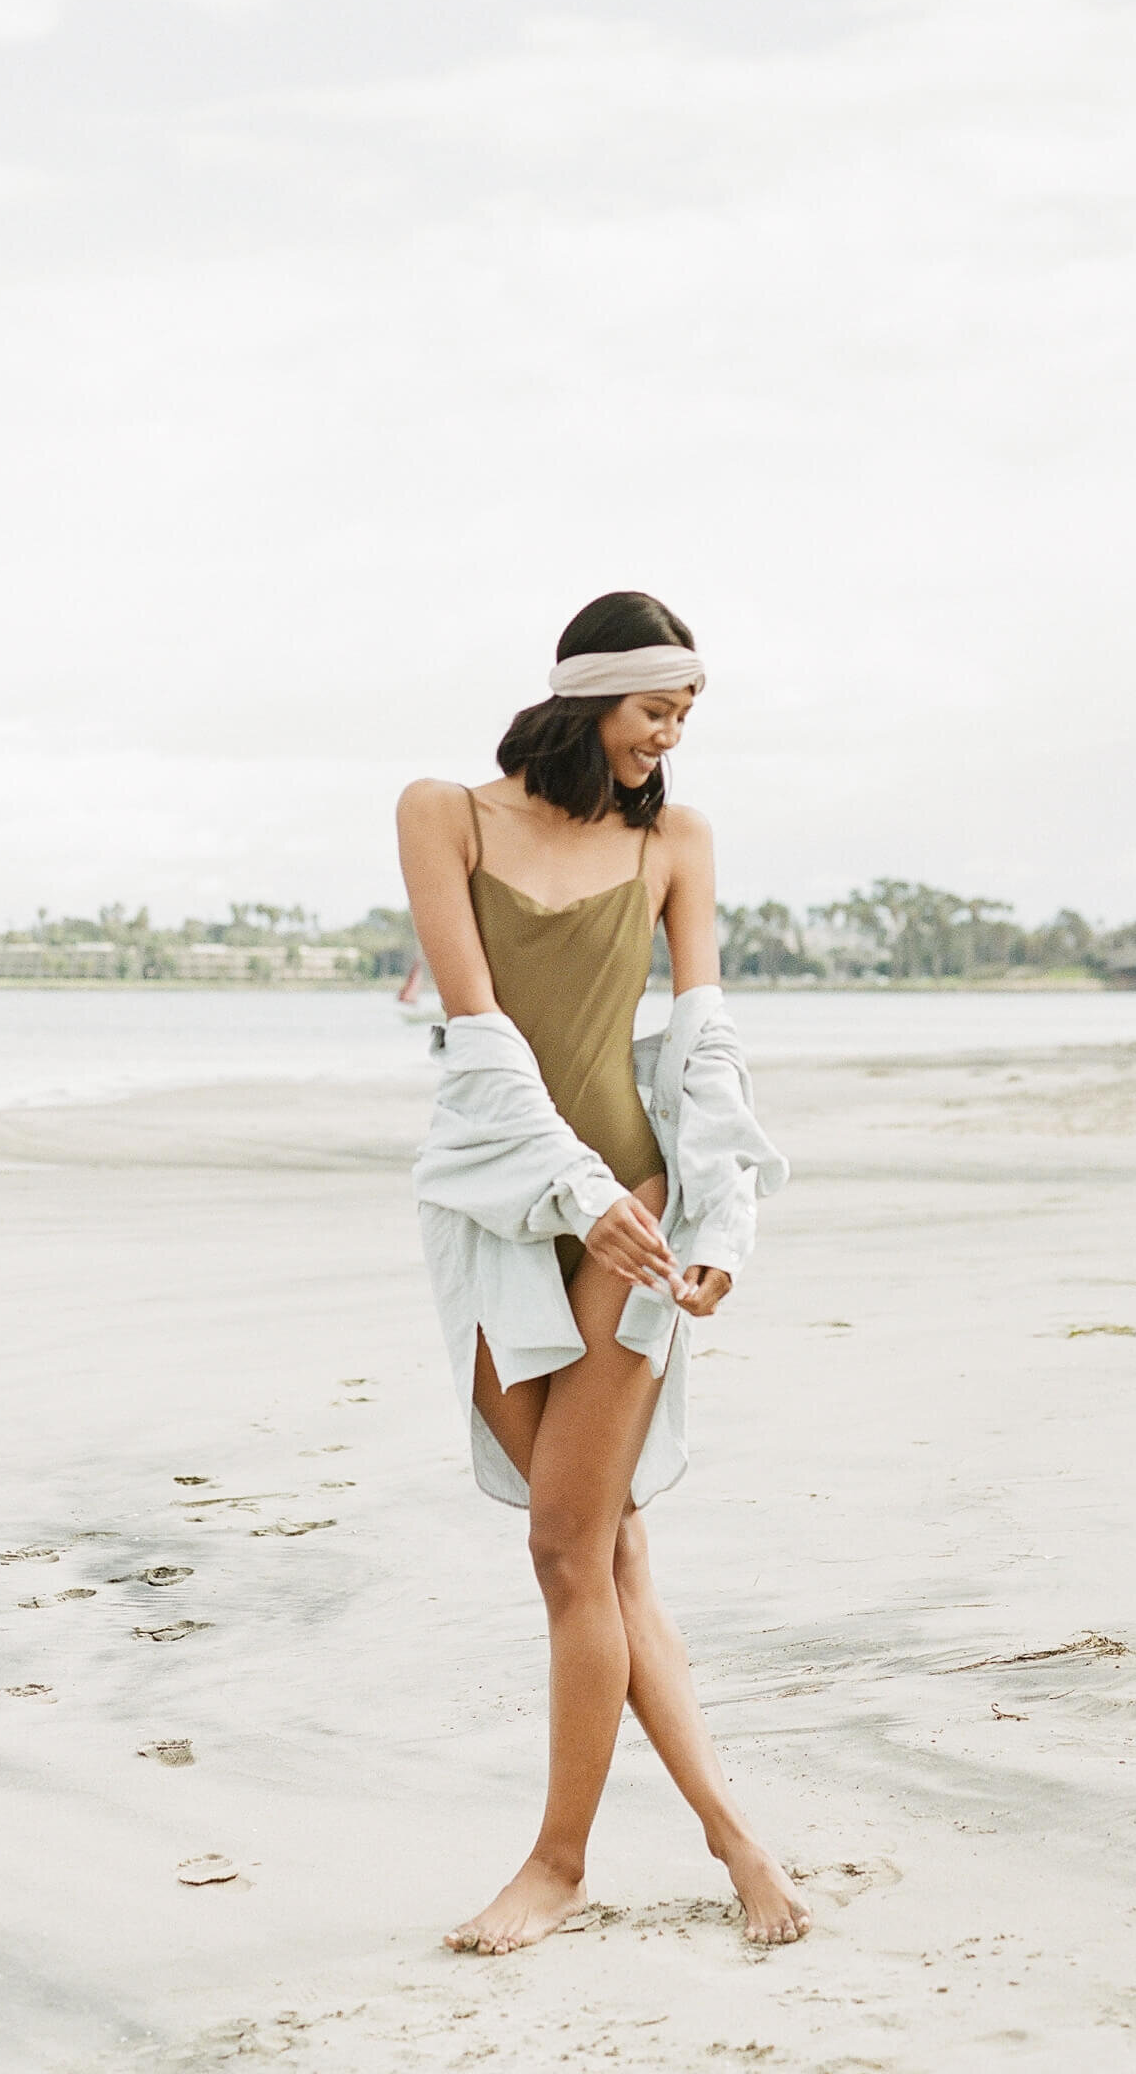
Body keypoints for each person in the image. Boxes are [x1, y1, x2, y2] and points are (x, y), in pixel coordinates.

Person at [396, 588, 809, 1956]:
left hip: (630, 1211)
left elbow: (700, 1056)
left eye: (685, 715)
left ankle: (557, 1866)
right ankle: (739, 1843)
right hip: (497, 1205)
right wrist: (566, 1187)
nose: (670, 736)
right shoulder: (443, 813)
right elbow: (477, 1038)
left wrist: (715, 1231)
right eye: (654, 710)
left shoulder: (674, 841)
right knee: (609, 1553)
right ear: (592, 699)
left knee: (568, 1546)